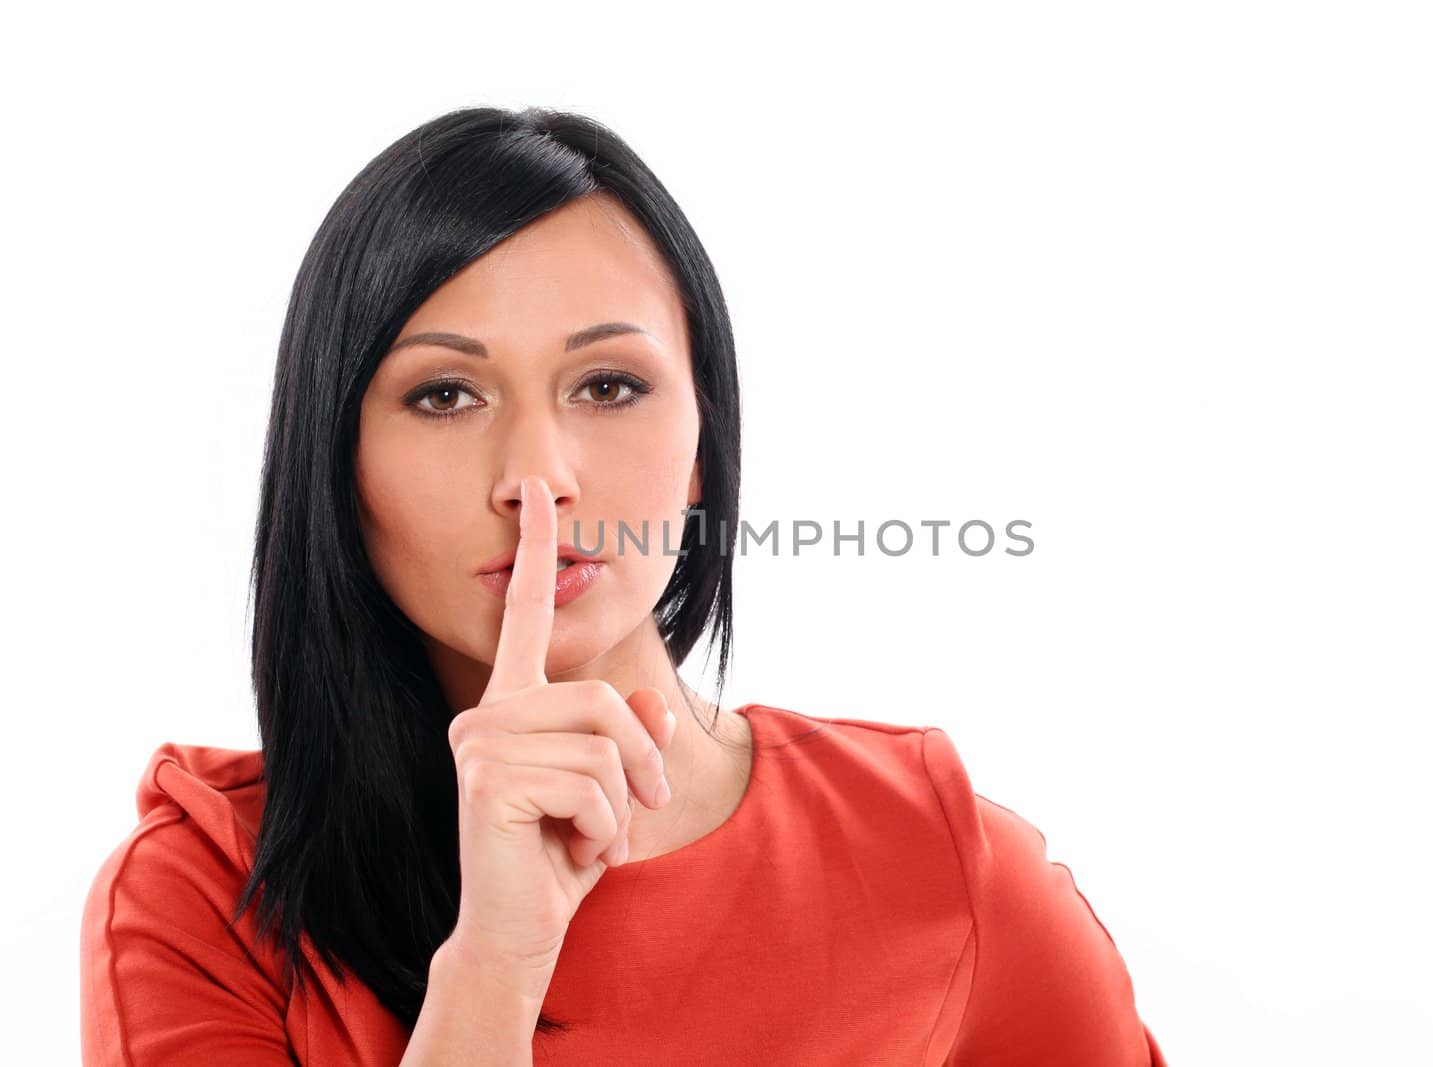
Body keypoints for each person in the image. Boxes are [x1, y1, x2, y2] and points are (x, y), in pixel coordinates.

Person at [79, 105, 1167, 1066]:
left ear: (701, 442)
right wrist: (496, 962)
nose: (536, 477)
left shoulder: (928, 849)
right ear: (337, 459)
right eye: (445, 394)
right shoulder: (203, 896)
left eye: (609, 384)